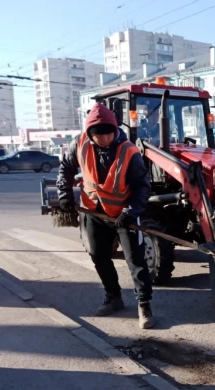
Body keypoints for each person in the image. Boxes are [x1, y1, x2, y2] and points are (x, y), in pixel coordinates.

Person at [56, 103, 155, 329]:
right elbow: (65, 169)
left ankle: (144, 304)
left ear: (115, 129)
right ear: (90, 134)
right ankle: (113, 297)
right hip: (93, 210)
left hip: (124, 213)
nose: (105, 139)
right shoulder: (79, 144)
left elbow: (142, 186)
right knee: (99, 256)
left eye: (109, 133)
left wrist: (131, 211)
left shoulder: (129, 150)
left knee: (136, 260)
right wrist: (65, 195)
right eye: (99, 135)